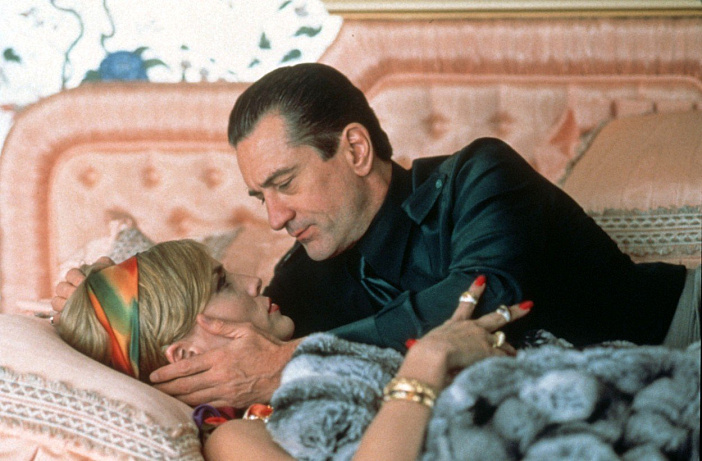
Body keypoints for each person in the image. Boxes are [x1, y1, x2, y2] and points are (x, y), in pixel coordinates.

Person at [53, 63, 700, 409]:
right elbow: (201, 326)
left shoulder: (480, 174)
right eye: (259, 197)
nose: (274, 217)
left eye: (285, 183)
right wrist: (97, 309)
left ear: (355, 149)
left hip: (679, 331)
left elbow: (486, 296)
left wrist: (292, 361)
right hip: (582, 406)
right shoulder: (300, 278)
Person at [54, 238, 532, 460]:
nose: (254, 280)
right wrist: (425, 362)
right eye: (223, 284)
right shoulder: (233, 441)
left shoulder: (312, 358)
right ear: (185, 355)